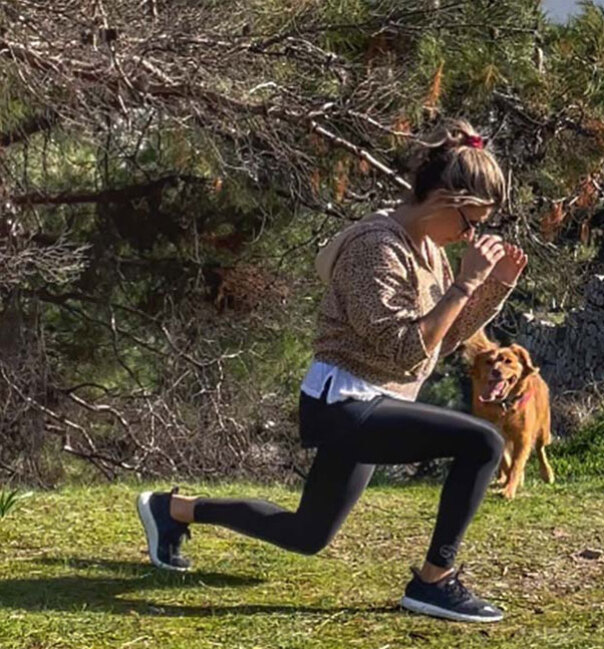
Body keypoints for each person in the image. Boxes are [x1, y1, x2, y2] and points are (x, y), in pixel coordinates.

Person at [135, 119, 525, 623]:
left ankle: (172, 510)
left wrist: (493, 287)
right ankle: (434, 581)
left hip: (372, 402)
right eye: (470, 221)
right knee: (483, 443)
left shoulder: (431, 252)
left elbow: (440, 342)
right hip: (342, 405)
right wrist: (467, 285)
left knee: (307, 534)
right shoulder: (375, 247)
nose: (470, 235)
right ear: (443, 200)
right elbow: (404, 347)